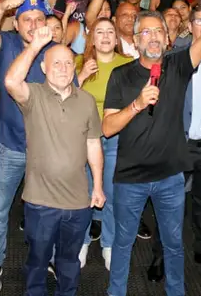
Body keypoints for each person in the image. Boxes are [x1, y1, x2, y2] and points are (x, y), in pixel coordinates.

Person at [102, 0, 201, 296]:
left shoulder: (178, 66)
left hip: (170, 178)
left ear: (167, 37)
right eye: (145, 32)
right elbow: (107, 128)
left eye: (158, 32)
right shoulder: (121, 75)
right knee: (122, 244)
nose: (152, 37)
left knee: (174, 244)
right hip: (130, 177)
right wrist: (135, 105)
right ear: (136, 40)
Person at [5, 25, 105, 296]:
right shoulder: (34, 96)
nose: (63, 68)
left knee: (69, 263)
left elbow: (93, 143)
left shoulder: (85, 101)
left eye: (68, 63)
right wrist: (35, 45)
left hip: (78, 201)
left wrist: (97, 186)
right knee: (37, 262)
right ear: (44, 68)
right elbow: (12, 82)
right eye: (56, 63)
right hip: (40, 202)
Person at [0, 0, 54, 293]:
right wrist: (1, 6)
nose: (34, 25)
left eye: (39, 20)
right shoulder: (7, 43)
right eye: (27, 19)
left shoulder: (53, 51)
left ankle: (42, 259)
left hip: (45, 147)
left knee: (44, 210)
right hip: (8, 145)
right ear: (16, 23)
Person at [75, 18, 133, 270]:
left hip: (115, 138)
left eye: (111, 31)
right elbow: (59, 97)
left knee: (109, 192)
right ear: (92, 38)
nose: (106, 36)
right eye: (100, 32)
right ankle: (83, 241)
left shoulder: (128, 64)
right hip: (82, 138)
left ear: (117, 37)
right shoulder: (79, 61)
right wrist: (81, 76)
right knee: (83, 192)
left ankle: (108, 243)